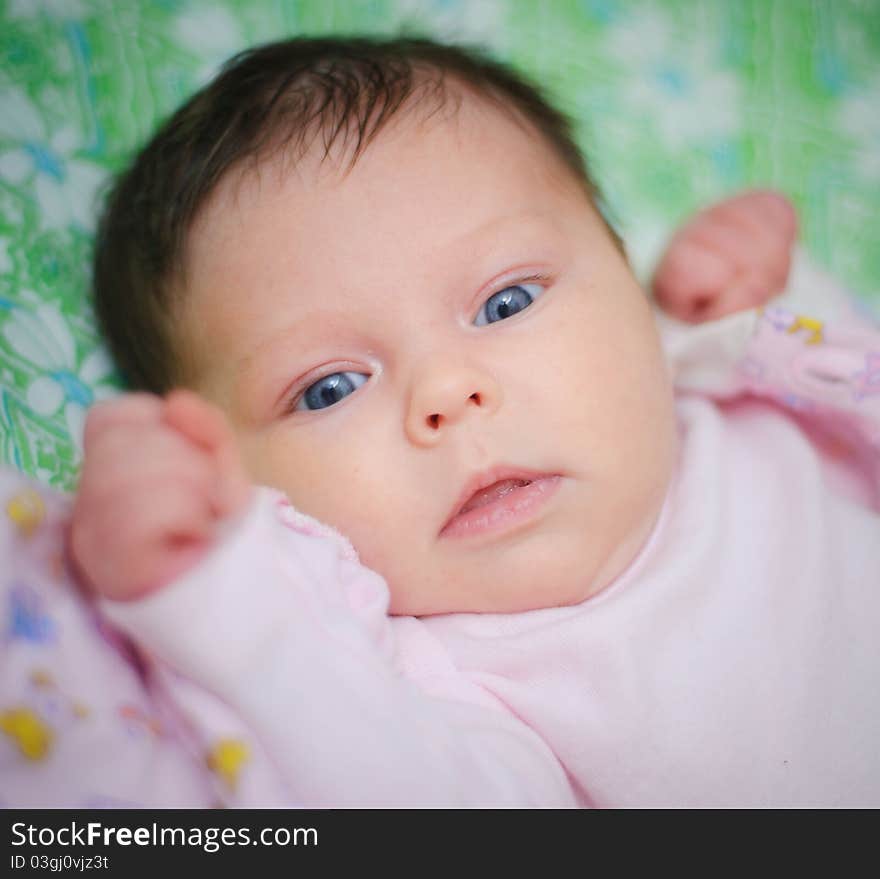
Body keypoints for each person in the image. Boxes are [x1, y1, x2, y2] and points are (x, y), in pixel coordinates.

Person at [2, 36, 878, 808]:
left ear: (625, 275)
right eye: (329, 388)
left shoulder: (737, 391)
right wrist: (206, 590)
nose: (448, 392)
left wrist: (761, 287)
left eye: (505, 301)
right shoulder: (425, 685)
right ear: (233, 465)